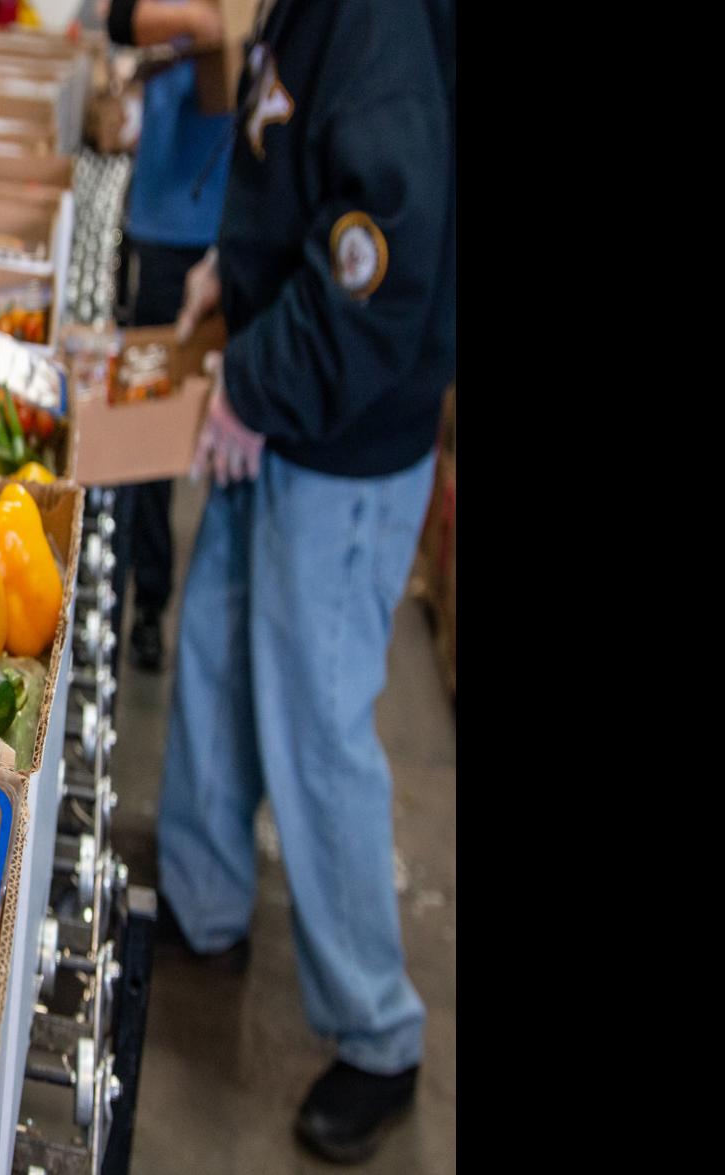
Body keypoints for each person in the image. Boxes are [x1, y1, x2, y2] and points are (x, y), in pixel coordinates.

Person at [158, 0, 455, 1163]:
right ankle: (205, 900)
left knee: (317, 721)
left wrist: (254, 384)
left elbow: (376, 261)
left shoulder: (376, 17)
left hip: (334, 435)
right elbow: (292, 169)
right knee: (218, 645)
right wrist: (223, 287)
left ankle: (378, 1034)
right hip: (278, 397)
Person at [104, 0, 233, 673]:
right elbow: (118, 17)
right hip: (160, 226)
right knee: (148, 434)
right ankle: (146, 603)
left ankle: (214, 620)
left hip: (234, 233)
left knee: (233, 434)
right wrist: (195, 27)